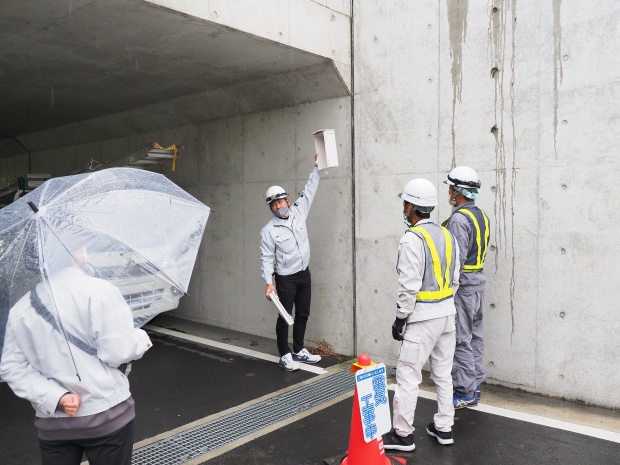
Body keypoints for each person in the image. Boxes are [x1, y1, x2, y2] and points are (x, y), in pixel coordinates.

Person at [0, 247, 153, 465]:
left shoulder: (21, 308)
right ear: (77, 253)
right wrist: (140, 338)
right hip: (107, 415)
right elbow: (118, 352)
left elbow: (11, 368)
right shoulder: (99, 291)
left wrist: (57, 397)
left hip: (54, 424)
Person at [382, 178, 460, 452]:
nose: (404, 208)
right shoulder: (448, 236)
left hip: (422, 319)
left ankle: (402, 434)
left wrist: (400, 318)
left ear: (412, 206)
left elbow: (409, 285)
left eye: (405, 203)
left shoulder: (412, 239)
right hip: (447, 315)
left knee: (408, 375)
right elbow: (456, 278)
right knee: (443, 374)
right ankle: (444, 427)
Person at [260, 154, 322, 371]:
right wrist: (269, 282)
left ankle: (298, 349)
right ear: (271, 208)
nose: (279, 206)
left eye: (281, 202)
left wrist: (317, 167)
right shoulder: (268, 231)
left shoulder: (298, 212)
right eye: (274, 204)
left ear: (288, 200)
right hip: (286, 279)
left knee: (303, 313)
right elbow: (267, 258)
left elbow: (310, 190)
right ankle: (284, 354)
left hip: (304, 274)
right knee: (285, 317)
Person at [443, 166, 490, 409]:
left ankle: (464, 390)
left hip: (463, 288)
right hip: (478, 284)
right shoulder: (480, 215)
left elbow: (455, 261)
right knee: (476, 335)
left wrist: (447, 292)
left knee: (461, 338)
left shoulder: (459, 219)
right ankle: (475, 382)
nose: (449, 192)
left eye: (451, 188)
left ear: (459, 191)